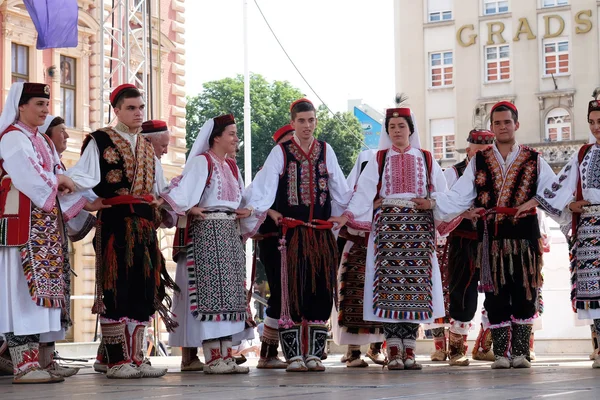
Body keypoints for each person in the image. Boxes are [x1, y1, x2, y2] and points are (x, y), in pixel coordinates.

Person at [426, 101, 556, 369]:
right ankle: (500, 355)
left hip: (524, 237)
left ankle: (520, 352)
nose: (502, 127)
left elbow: (554, 190)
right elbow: (459, 195)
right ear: (492, 127)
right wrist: (433, 205)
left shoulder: (534, 158)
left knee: (525, 290)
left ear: (516, 125)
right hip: (492, 236)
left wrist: (533, 203)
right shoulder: (480, 161)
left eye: (507, 122)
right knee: (495, 293)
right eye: (497, 123)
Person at [66, 84, 178, 379]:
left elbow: (160, 187)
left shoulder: (145, 145)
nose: (138, 112)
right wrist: (72, 190)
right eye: (131, 108)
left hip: (144, 226)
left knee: (144, 288)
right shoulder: (100, 140)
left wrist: (171, 204)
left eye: (141, 107)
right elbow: (83, 176)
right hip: (115, 222)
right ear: (116, 110)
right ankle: (116, 361)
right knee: (116, 288)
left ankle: (136, 358)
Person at [331, 106, 447, 371]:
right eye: (392, 127)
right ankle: (394, 349)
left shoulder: (427, 158)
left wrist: (430, 203)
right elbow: (364, 191)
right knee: (388, 288)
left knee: (417, 289)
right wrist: (347, 216)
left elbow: (442, 192)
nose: (396, 131)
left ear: (411, 129)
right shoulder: (379, 158)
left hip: (418, 230)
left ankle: (410, 351)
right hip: (387, 231)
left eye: (401, 126)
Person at [242, 98, 352, 372]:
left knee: (320, 290)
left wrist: (345, 216)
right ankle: (292, 356)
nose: (307, 126)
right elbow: (263, 187)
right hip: (290, 236)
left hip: (320, 234)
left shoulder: (326, 151)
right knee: (292, 292)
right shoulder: (281, 152)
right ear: (292, 123)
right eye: (301, 121)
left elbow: (340, 187)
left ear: (316, 121)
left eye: (311, 120)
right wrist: (267, 211)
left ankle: (314, 355)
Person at [0, 82, 90, 384]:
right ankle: (23, 366)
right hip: (22, 227)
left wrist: (67, 185)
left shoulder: (43, 141)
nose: (45, 109)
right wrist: (58, 180)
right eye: (39, 103)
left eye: (46, 104)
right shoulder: (13, 138)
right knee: (20, 292)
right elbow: (28, 175)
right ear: (21, 105)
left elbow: (56, 173)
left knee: (44, 295)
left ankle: (39, 361)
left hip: (45, 227)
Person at [159, 114, 252, 375]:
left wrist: (247, 210)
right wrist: (190, 208)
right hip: (207, 232)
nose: (236, 138)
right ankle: (213, 358)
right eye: (232, 134)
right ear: (216, 137)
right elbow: (183, 193)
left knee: (231, 296)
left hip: (229, 233)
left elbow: (241, 198)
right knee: (212, 295)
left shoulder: (232, 166)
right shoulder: (202, 163)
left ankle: (226, 354)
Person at [516, 97, 600, 368]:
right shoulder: (584, 154)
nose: (596, 127)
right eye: (592, 122)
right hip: (589, 229)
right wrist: (568, 204)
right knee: (595, 289)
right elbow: (560, 185)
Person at [435, 129, 495, 366]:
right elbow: (443, 203)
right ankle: (457, 349)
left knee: (496, 292)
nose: (482, 155)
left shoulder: (496, 171)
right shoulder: (453, 173)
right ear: (468, 150)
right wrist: (464, 212)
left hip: (492, 239)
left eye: (487, 151)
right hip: (463, 239)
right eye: (478, 151)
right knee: (463, 292)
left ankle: (485, 345)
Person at [332, 149, 385, 368]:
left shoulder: (386, 192)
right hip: (356, 250)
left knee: (381, 299)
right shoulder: (350, 195)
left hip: (381, 251)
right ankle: (353, 352)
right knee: (353, 299)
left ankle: (376, 349)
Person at [255, 124, 294, 370]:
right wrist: (270, 210)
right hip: (273, 238)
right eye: (289, 142)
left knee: (295, 293)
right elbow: (253, 198)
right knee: (280, 294)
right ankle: (267, 352)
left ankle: (294, 350)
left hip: (297, 239)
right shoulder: (267, 170)